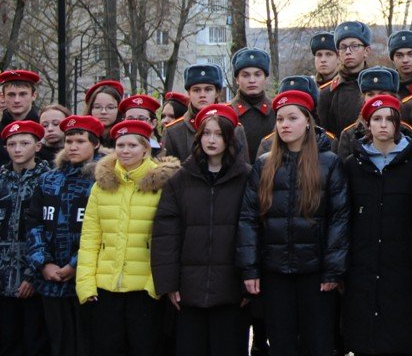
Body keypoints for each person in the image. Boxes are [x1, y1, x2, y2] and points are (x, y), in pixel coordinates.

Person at [236, 89, 349, 356]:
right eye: (280, 119)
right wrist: (250, 269)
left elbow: (339, 218)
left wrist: (333, 270)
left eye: (292, 118)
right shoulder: (264, 165)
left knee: (318, 344)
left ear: (308, 121)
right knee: (281, 344)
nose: (284, 125)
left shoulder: (329, 163)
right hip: (275, 272)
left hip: (316, 274)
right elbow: (249, 219)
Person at [152, 104, 251, 356]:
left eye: (218, 134)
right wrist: (169, 283)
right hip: (190, 291)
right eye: (206, 133)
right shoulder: (180, 180)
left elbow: (253, 232)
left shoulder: (247, 177)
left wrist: (248, 281)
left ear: (229, 137)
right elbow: (166, 234)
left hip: (231, 290)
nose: (211, 140)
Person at [77, 120, 180, 356]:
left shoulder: (163, 185)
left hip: (145, 291)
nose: (125, 151)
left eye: (132, 145)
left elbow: (168, 239)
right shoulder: (102, 186)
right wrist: (86, 284)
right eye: (120, 145)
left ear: (146, 149)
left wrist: (155, 286)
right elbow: (90, 237)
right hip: (106, 288)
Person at [342, 94, 412, 356]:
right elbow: (344, 220)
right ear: (367, 124)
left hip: (402, 269)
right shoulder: (352, 166)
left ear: (398, 124)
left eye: (389, 119)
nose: (383, 125)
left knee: (400, 337)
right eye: (376, 119)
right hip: (363, 268)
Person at [26, 115, 106, 356]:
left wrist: (74, 264)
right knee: (58, 340)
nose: (72, 146)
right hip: (50, 278)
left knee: (87, 341)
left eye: (80, 141)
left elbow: (103, 230)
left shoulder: (103, 179)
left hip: (87, 277)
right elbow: (34, 222)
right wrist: (44, 263)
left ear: (96, 144)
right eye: (69, 141)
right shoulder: (48, 179)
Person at [0, 119, 51, 354]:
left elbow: (49, 231)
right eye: (12, 144)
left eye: (24, 143)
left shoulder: (48, 180)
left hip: (35, 275)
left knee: (34, 340)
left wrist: (33, 274)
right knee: (7, 339)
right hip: (3, 275)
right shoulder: (2, 179)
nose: (17, 149)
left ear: (37, 146)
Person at [163, 64, 242, 162]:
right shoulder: (173, 132)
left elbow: (242, 168)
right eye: (196, 90)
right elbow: (167, 169)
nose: (202, 95)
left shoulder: (235, 128)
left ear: (217, 92)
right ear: (189, 93)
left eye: (208, 89)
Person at [317, 20, 375, 135]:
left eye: (354, 46)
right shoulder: (327, 93)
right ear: (338, 53)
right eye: (343, 47)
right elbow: (325, 136)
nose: (348, 52)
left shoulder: (377, 87)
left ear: (366, 51)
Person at [335, 67, 401, 161]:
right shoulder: (349, 135)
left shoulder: (405, 132)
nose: (375, 99)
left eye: (382, 94)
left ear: (393, 98)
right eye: (370, 94)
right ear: (364, 98)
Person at [229, 48, 275, 164]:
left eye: (257, 75)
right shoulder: (227, 113)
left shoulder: (277, 112)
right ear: (237, 79)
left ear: (265, 78)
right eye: (245, 75)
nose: (252, 80)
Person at [0, 70, 42, 166]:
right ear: (3, 97)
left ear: (34, 96)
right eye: (11, 95)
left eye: (23, 94)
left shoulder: (46, 128)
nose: (17, 100)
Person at [388, 30, 412, 99]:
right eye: (399, 55)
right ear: (392, 59)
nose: (405, 60)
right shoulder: (387, 87)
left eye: (410, 54)